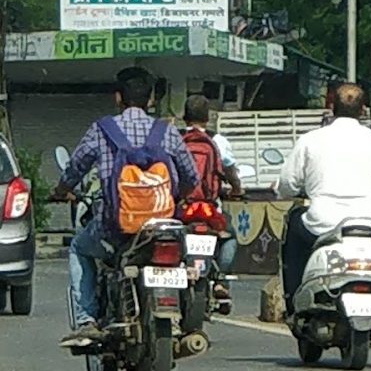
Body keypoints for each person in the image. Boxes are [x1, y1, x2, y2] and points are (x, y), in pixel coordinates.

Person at [52, 67, 199, 347]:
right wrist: (176, 197)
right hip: (160, 228)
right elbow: (191, 178)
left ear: (118, 97)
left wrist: (61, 190)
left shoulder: (102, 130)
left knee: (79, 248)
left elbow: (75, 167)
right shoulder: (167, 131)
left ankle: (86, 320)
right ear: (151, 100)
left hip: (115, 227)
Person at [277, 82, 371, 315]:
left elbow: (287, 185)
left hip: (321, 225)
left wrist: (292, 191)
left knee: (294, 226)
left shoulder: (311, 140)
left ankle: (294, 301)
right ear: (363, 110)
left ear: (332, 107)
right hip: (370, 225)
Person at [181, 94, 242, 291]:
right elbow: (230, 171)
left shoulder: (175, 139)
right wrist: (237, 189)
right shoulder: (217, 141)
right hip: (209, 210)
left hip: (182, 209)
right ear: (207, 118)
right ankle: (221, 281)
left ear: (184, 117)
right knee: (229, 236)